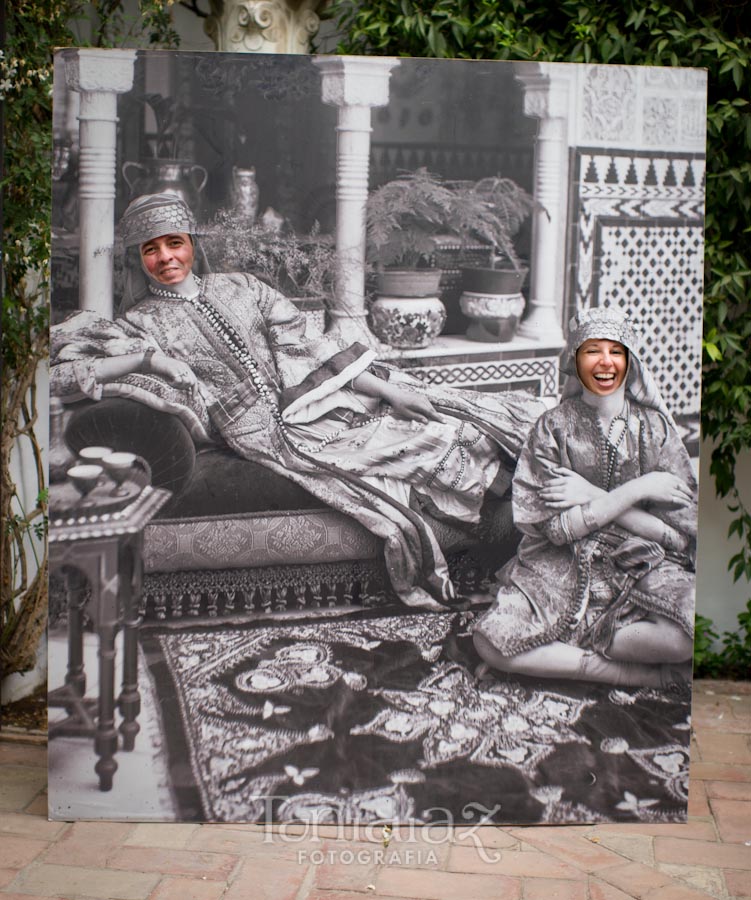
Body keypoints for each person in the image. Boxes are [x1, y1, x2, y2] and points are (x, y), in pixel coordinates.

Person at [51, 192, 546, 610]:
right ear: (137, 259)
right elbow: (65, 374)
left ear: (192, 244)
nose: (165, 258)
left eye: (173, 243)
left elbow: (313, 349)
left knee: (448, 421)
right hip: (265, 435)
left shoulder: (243, 287)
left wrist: (392, 391)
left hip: (316, 401)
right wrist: (153, 362)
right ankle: (506, 534)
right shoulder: (138, 325)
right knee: (417, 448)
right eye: (150, 250)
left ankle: (527, 524)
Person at [472, 306, 697, 688]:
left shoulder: (655, 430)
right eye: (593, 351)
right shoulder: (553, 428)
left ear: (630, 361)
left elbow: (677, 537)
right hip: (560, 562)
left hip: (641, 561)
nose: (605, 362)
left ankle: (570, 647)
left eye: (616, 351)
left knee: (689, 635)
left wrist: (595, 494)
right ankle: (628, 673)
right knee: (488, 643)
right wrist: (639, 491)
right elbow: (556, 531)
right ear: (577, 363)